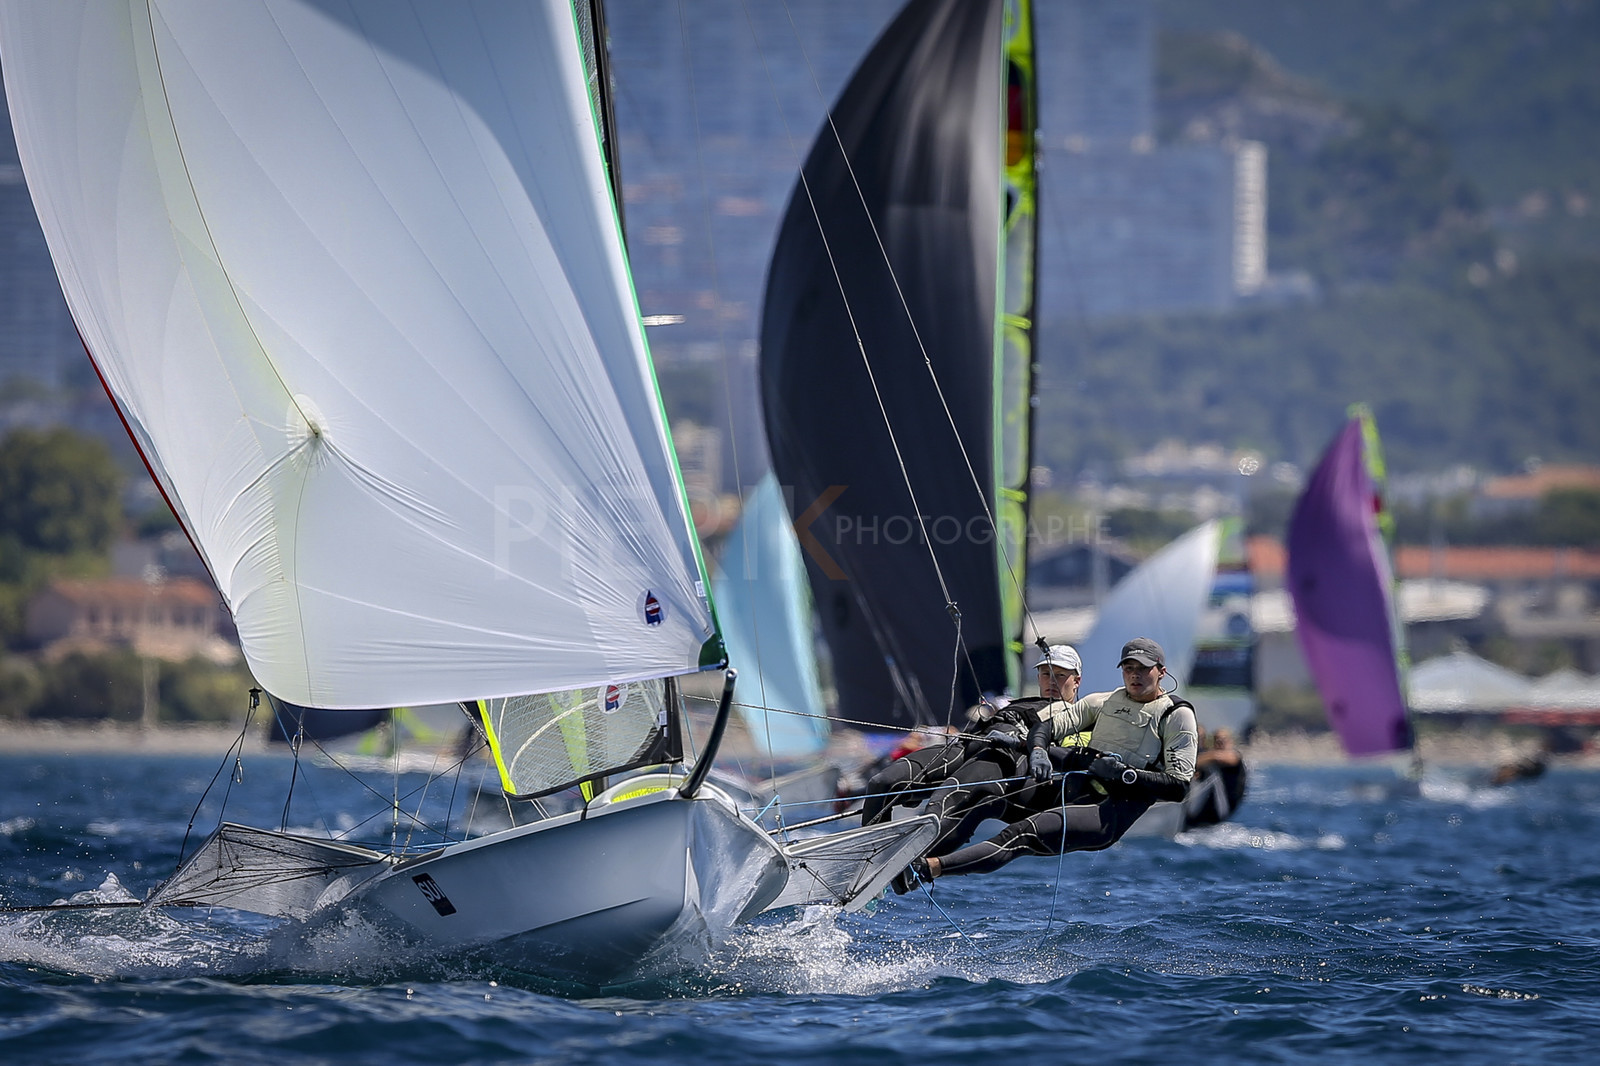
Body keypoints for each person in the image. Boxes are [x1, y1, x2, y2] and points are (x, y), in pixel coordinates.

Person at [909, 637, 1197, 882]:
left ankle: (929, 869)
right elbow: (1047, 727)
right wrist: (1036, 749)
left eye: (1143, 669)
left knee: (1019, 835)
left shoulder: (1175, 714)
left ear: (1161, 671)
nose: (1135, 676)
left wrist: (1124, 774)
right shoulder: (1103, 701)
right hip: (1073, 794)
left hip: (1108, 812)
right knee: (986, 794)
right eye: (1129, 668)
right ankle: (912, 857)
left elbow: (1179, 787)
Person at [1183, 726, 1247, 827]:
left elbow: (1217, 757)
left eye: (1223, 739)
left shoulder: (1234, 757)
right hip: (1205, 810)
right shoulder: (1209, 761)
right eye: (1216, 740)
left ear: (1231, 741)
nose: (1219, 742)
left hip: (1221, 809)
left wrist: (1188, 765)